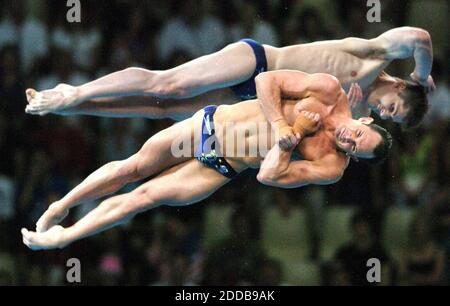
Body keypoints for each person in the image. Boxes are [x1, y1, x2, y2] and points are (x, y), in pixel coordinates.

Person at [21, 71, 392, 250]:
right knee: (130, 168)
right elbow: (265, 82)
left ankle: (63, 238)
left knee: (142, 197)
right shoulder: (327, 90)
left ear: (353, 159)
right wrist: (282, 121)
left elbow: (267, 175)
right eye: (358, 134)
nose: (349, 140)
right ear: (365, 119)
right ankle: (62, 205)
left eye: (355, 149)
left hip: (225, 165)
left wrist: (287, 138)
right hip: (211, 126)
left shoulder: (330, 166)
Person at [25, 27, 434, 130]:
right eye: (393, 107)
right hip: (256, 61)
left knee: (162, 111)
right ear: (400, 85)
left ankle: (78, 106)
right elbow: (420, 37)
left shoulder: (356, 108)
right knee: (169, 84)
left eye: (389, 118)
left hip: (253, 98)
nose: (382, 112)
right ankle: (74, 90)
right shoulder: (373, 54)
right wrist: (423, 73)